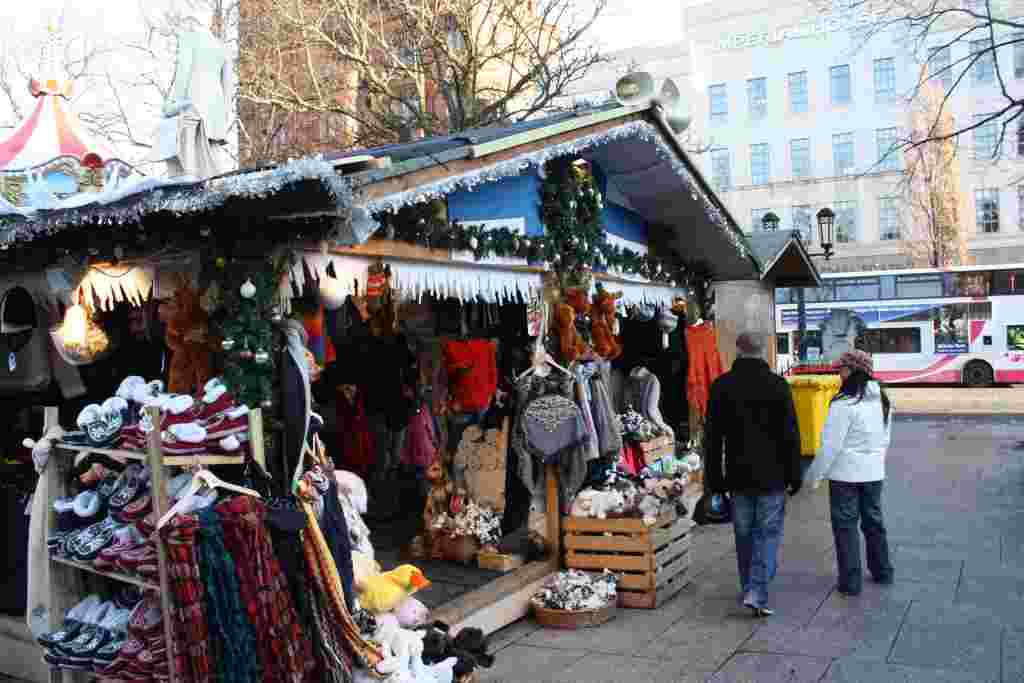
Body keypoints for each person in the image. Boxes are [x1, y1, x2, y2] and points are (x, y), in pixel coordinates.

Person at [705, 332, 802, 617]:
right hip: (773, 477)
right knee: (767, 535)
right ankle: (757, 592)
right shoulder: (777, 385)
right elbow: (790, 435)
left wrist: (714, 479)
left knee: (744, 535)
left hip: (737, 477)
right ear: (764, 351)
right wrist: (795, 474)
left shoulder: (722, 386)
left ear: (737, 350)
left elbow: (712, 438)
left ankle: (749, 586)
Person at [805, 349, 894, 596]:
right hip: (874, 474)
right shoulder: (883, 400)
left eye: (841, 369)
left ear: (853, 371)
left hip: (845, 476)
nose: (838, 373)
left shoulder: (844, 402)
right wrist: (875, 462)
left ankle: (850, 582)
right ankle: (883, 571)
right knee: (874, 522)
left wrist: (814, 477)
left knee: (846, 527)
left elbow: (830, 446)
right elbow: (885, 439)